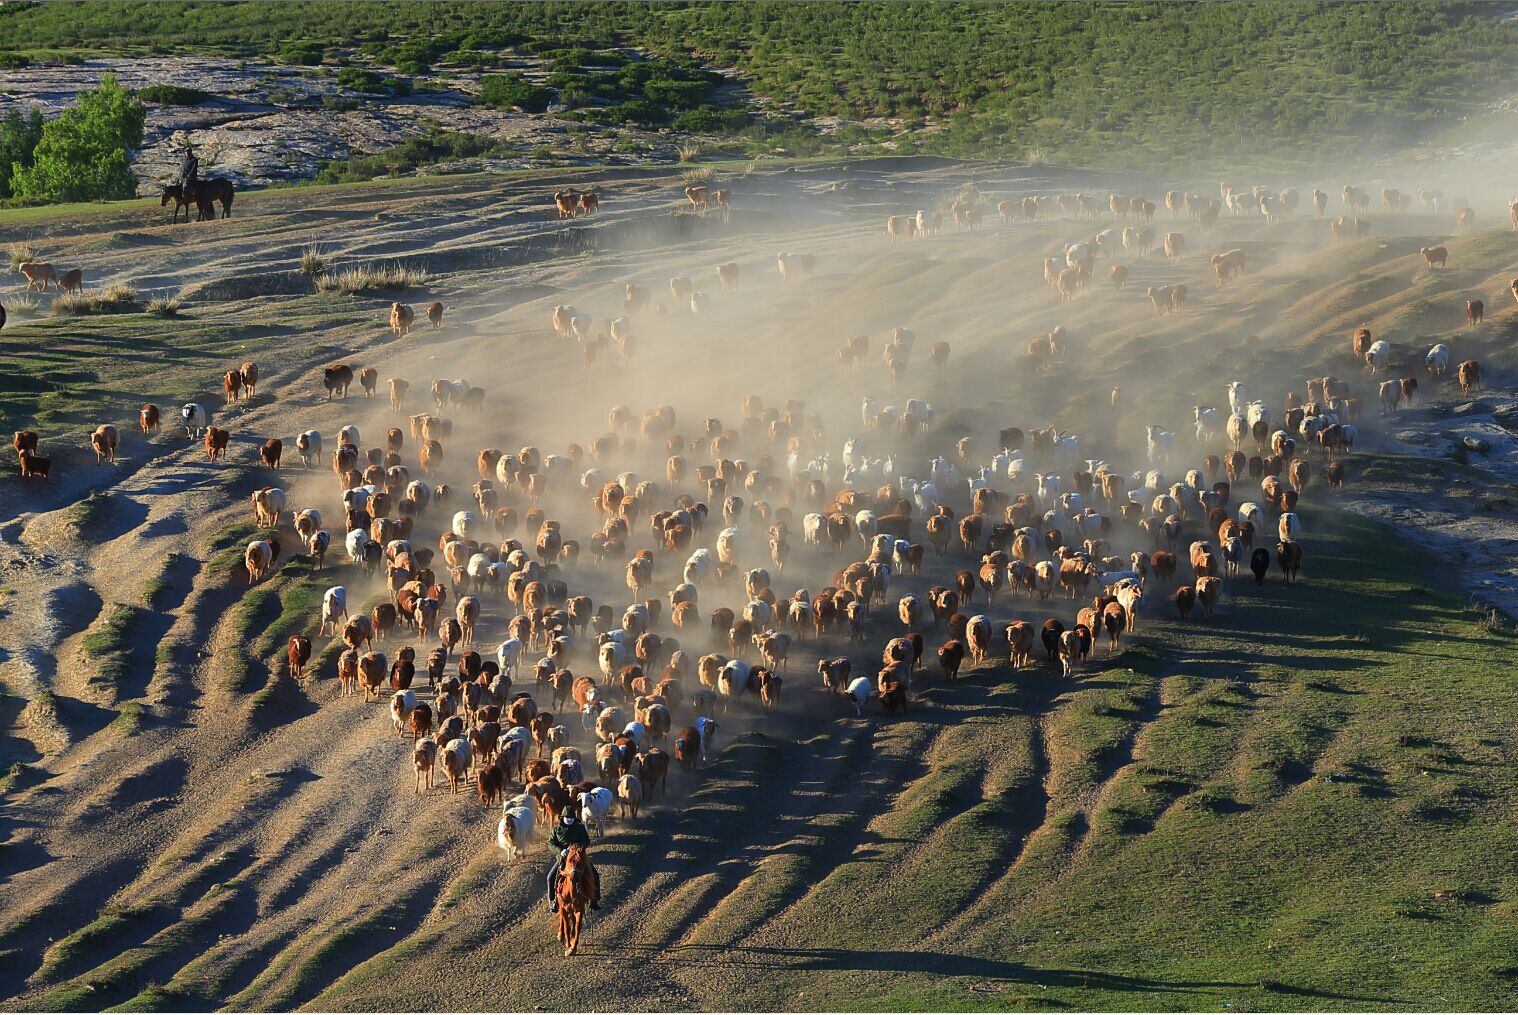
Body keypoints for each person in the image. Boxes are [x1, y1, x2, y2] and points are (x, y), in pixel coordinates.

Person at [546, 810, 600, 912]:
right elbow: (551, 843)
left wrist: (578, 848)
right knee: (550, 877)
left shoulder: (580, 828)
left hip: (579, 857)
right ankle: (554, 901)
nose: (569, 819)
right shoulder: (556, 829)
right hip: (564, 858)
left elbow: (586, 840)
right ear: (563, 817)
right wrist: (560, 851)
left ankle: (594, 900)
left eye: (571, 818)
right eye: (567, 817)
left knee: (595, 874)